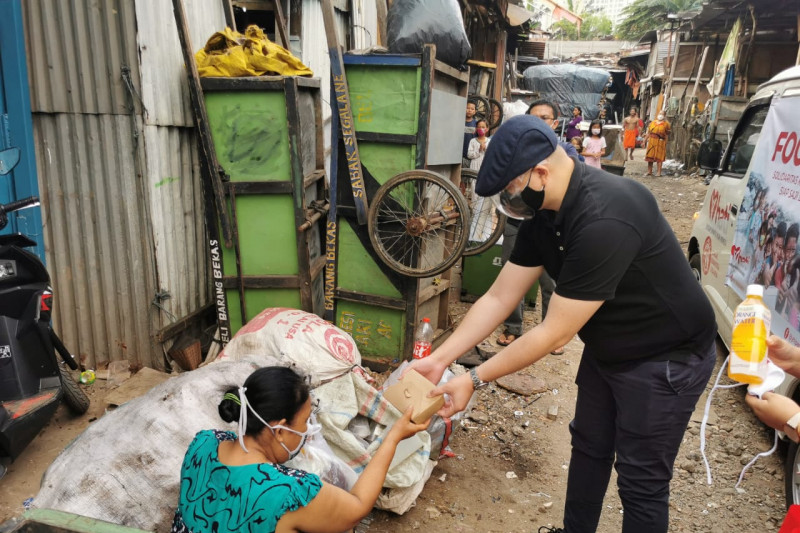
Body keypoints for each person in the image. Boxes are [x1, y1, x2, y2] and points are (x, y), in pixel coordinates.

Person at [410, 115, 717, 533]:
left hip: (665, 357)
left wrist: (474, 378)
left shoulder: (607, 216)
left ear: (541, 172)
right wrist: (441, 360)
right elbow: (500, 296)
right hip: (609, 348)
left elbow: (554, 331)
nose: (511, 200)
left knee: (640, 480)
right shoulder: (546, 217)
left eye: (512, 189)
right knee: (589, 449)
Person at [173, 366, 428, 533]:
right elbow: (358, 506)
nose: (307, 432)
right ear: (280, 430)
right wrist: (393, 437)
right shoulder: (287, 491)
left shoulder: (203, 443)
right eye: (305, 422)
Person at [497, 100, 577, 350]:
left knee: (551, 280)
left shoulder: (566, 153)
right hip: (516, 221)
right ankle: (512, 328)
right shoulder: (516, 152)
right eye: (533, 118)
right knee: (511, 277)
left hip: (549, 226)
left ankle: (551, 334)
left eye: (545, 118)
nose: (539, 123)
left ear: (554, 123)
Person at [645, 112, 671, 176]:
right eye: (659, 113)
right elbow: (648, 132)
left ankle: (659, 172)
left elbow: (667, 134)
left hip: (661, 142)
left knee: (659, 157)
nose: (660, 115)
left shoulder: (666, 124)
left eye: (662, 114)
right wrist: (644, 141)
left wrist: (666, 142)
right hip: (652, 141)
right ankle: (649, 171)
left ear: (664, 115)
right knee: (650, 156)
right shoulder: (652, 123)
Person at [463, 101, 478, 167]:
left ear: (475, 112)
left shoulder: (476, 124)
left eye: (472, 109)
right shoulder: (459, 121)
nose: (469, 110)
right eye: (468, 108)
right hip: (458, 154)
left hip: (470, 155)